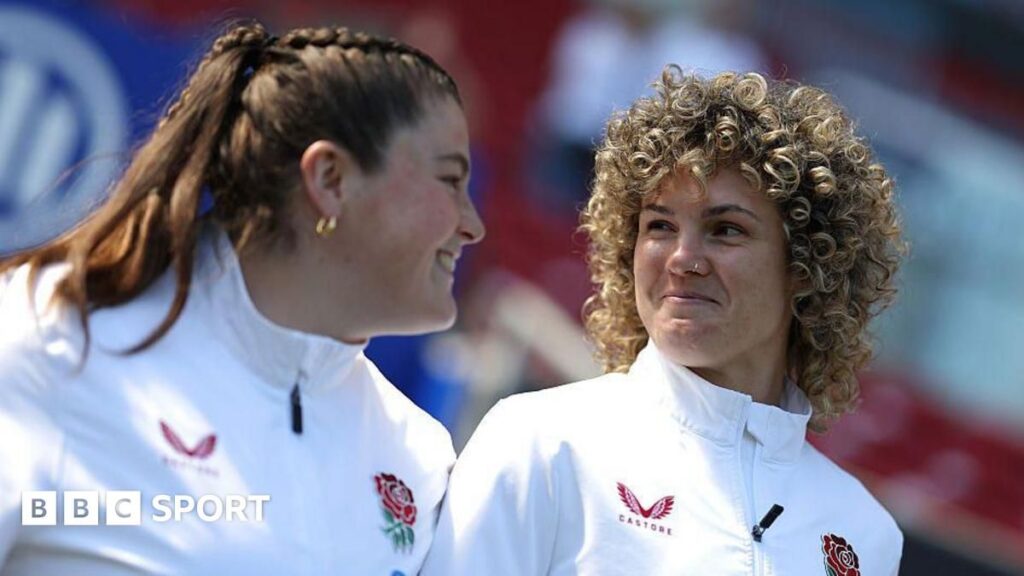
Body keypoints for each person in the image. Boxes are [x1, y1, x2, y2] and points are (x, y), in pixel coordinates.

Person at [0, 21, 483, 575]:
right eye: (450, 181)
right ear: (330, 179)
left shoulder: (419, 457)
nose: (472, 225)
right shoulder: (54, 340)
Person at [422, 68, 904, 575]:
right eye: (659, 226)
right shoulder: (541, 441)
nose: (682, 257)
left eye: (725, 229)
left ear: (808, 265)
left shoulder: (863, 533)